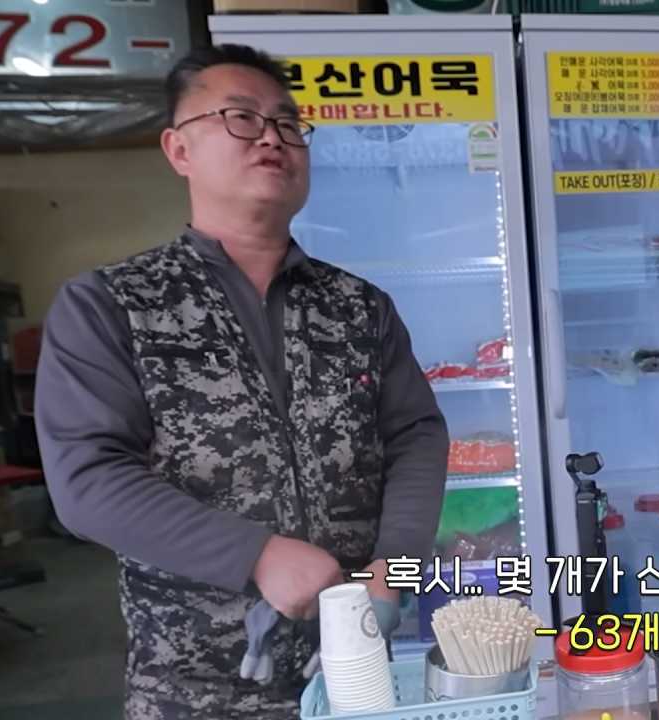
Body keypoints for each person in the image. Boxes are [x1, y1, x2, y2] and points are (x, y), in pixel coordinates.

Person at [35, 44, 450, 719]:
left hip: (355, 673)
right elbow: (87, 479)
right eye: (241, 118)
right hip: (195, 686)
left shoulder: (358, 307)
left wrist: (394, 564)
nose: (272, 138)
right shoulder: (113, 304)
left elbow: (415, 434)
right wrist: (256, 555)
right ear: (179, 149)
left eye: (288, 123)